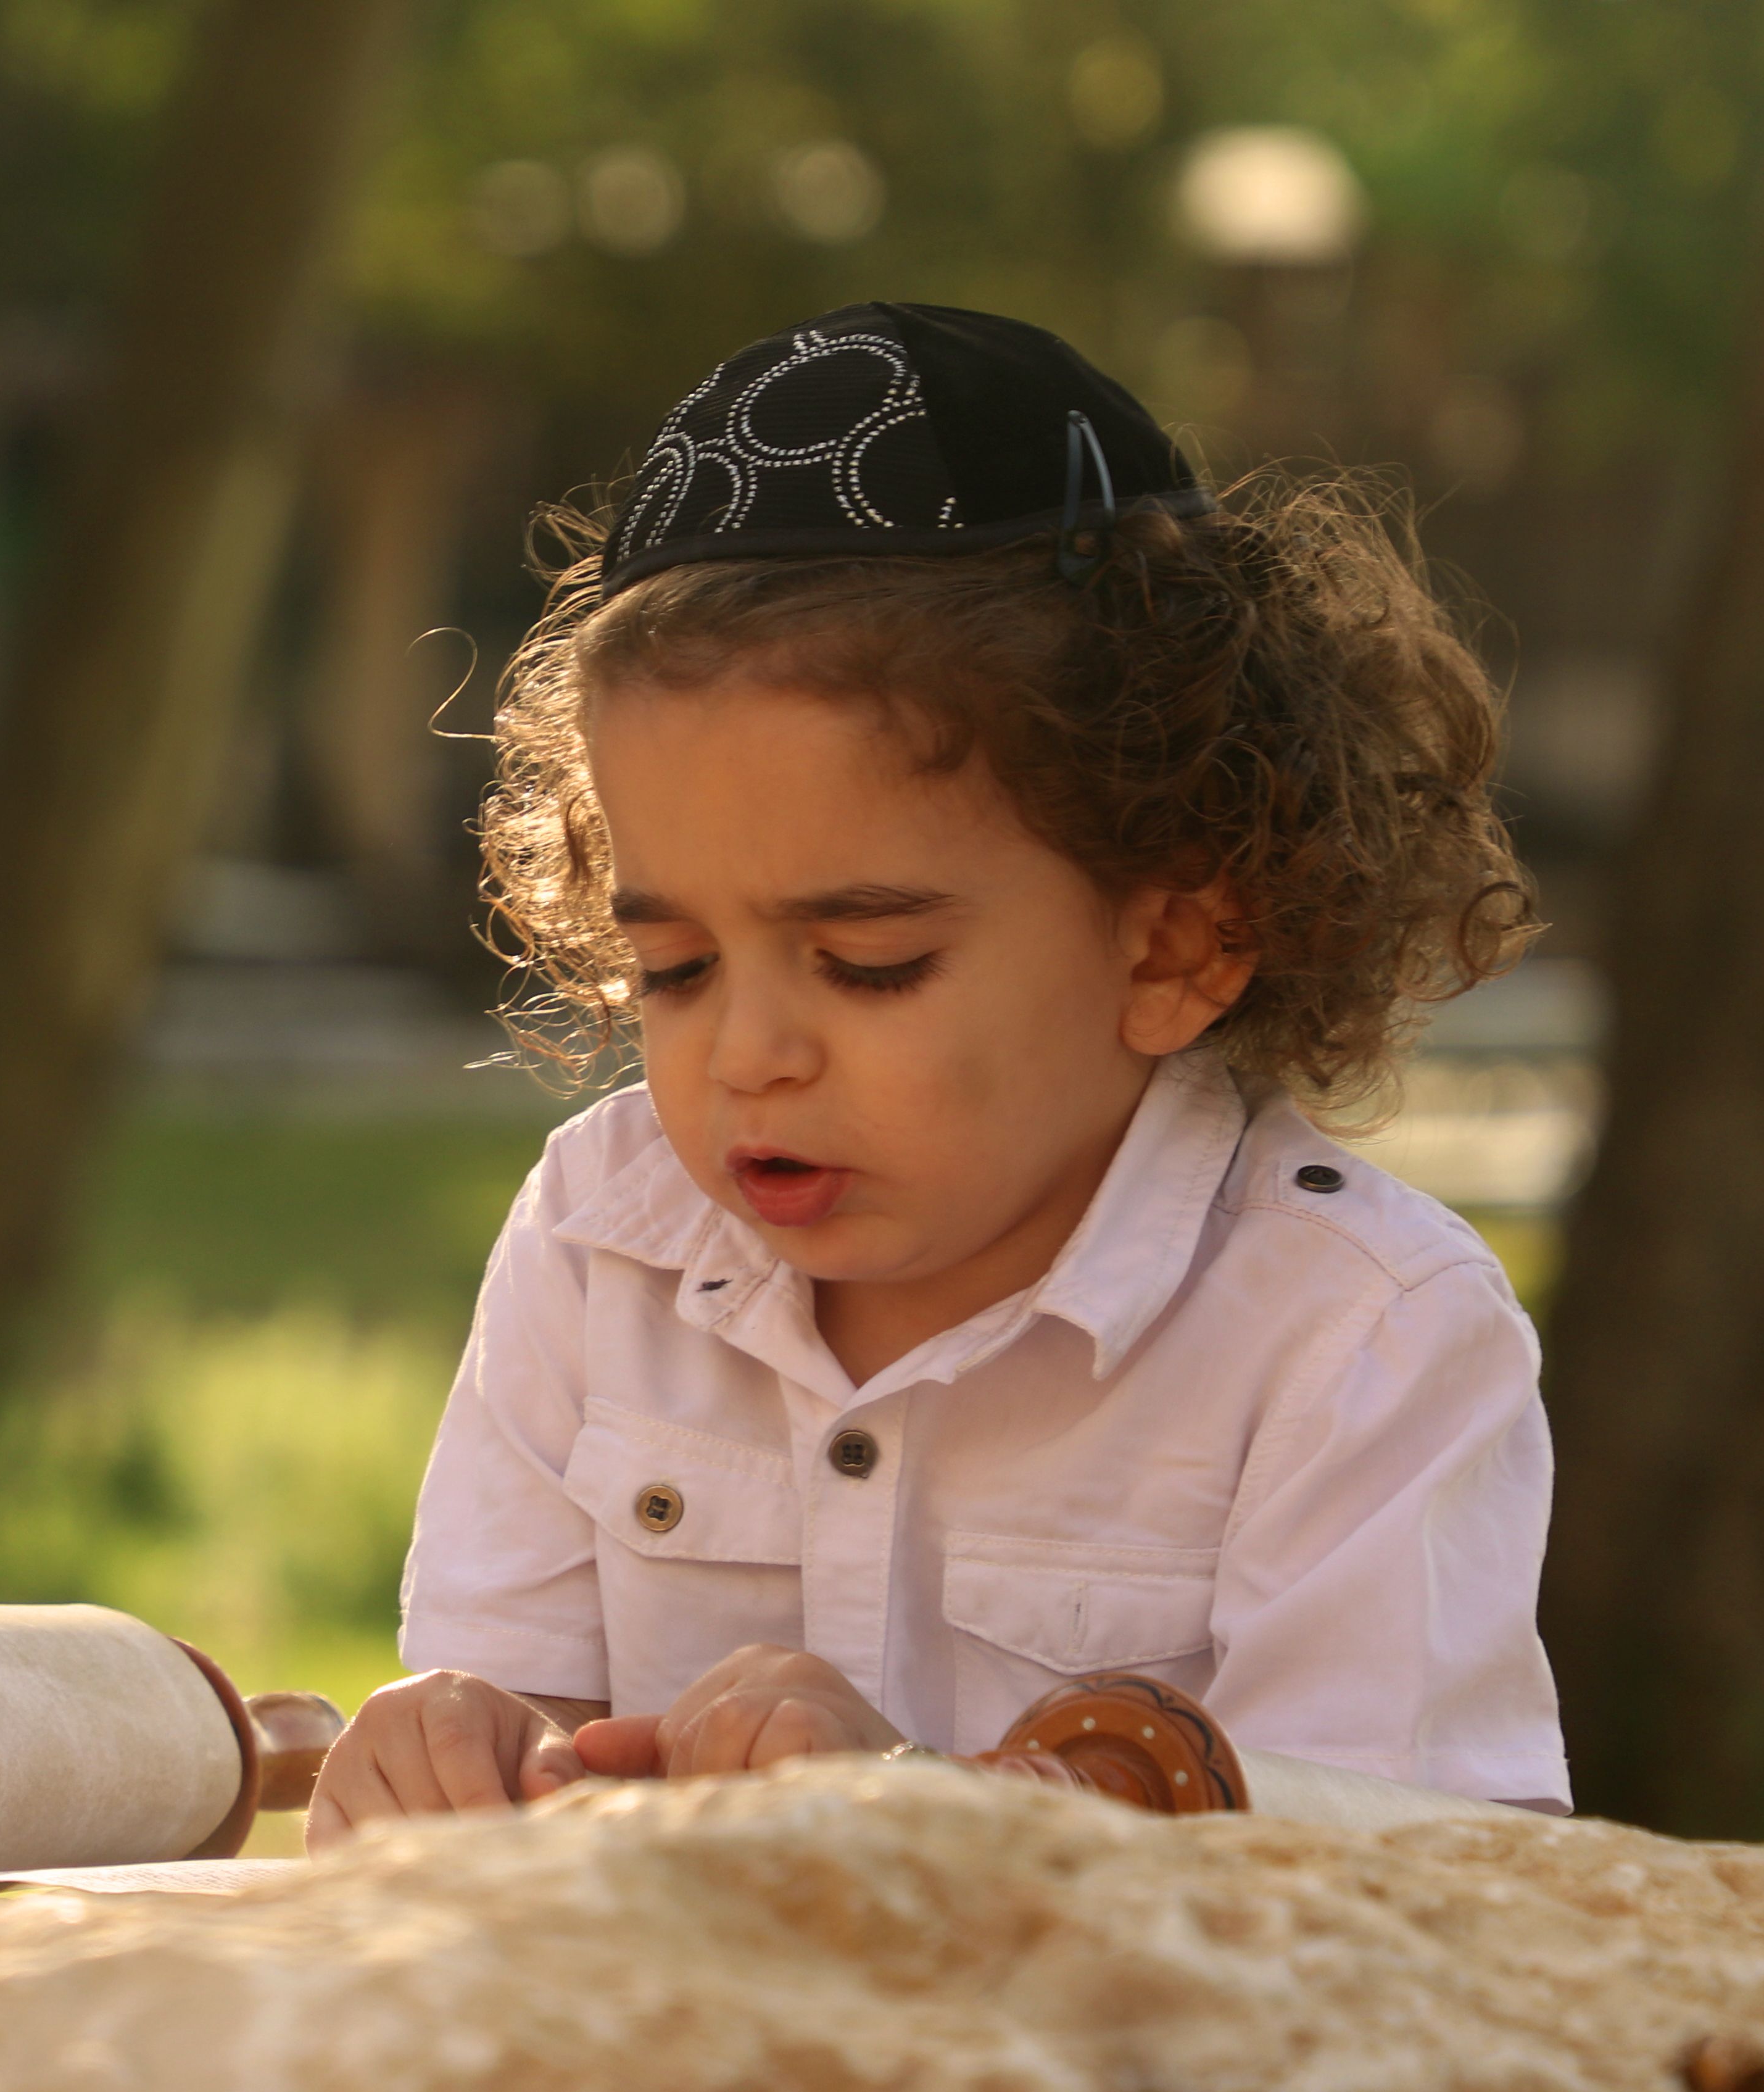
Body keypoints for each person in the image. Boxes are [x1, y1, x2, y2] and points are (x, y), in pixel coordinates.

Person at [305, 302, 1568, 1849]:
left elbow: (1409, 1897)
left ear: (1176, 946)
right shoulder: (598, 1237)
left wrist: (932, 1820)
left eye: (869, 962)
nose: (749, 1055)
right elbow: (521, 1753)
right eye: (677, 967)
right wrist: (458, 1755)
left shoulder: (1359, 1338)